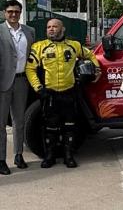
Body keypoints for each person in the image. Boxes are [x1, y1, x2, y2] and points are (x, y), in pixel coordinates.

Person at [25, 18, 100, 168]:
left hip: (69, 92)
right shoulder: (39, 47)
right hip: (50, 93)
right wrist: (38, 88)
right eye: (48, 27)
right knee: (50, 126)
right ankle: (49, 156)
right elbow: (30, 68)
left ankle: (69, 156)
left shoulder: (74, 46)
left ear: (62, 29)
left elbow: (91, 55)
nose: (51, 29)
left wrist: (96, 69)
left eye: (54, 27)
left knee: (70, 126)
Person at [0, 0, 35, 175]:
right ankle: (1, 159)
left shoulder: (29, 32)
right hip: (2, 82)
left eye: (16, 11)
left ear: (20, 13)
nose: (13, 14)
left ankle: (18, 155)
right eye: (10, 11)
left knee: (19, 120)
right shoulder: (0, 31)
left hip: (22, 81)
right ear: (4, 12)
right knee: (0, 123)